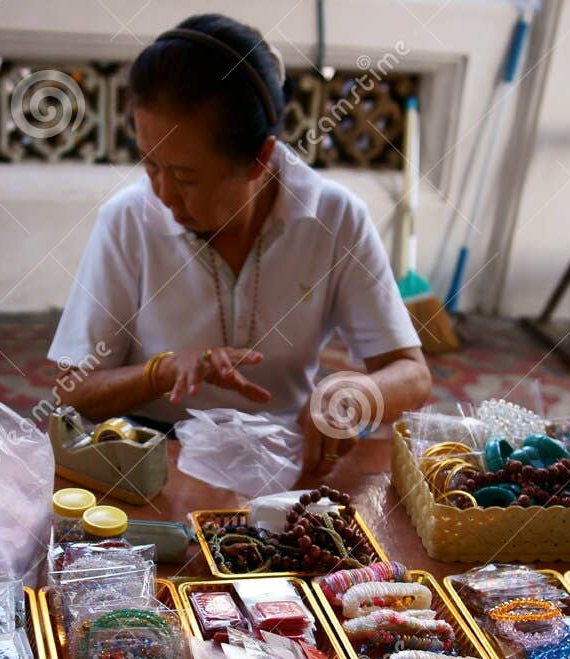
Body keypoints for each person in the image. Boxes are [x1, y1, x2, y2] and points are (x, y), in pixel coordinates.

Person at [47, 13, 432, 479]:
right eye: (150, 167)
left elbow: (411, 375)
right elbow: (71, 389)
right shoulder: (129, 219)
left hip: (283, 459)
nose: (163, 194)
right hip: (151, 463)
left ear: (259, 160)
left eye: (186, 177)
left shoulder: (333, 218)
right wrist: (162, 372)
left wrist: (351, 395)